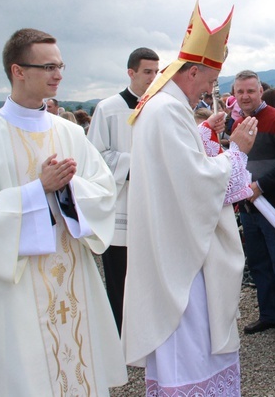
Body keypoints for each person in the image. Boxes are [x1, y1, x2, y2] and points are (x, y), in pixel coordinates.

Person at [0, 28, 127, 395]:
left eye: (60, 65)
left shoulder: (70, 133)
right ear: (18, 71)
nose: (59, 74)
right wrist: (38, 190)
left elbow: (103, 190)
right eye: (49, 66)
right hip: (17, 284)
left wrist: (70, 188)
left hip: (73, 272)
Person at [123, 0, 258, 395]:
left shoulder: (162, 104)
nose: (210, 89)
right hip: (183, 257)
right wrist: (238, 151)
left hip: (169, 239)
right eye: (210, 81)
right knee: (192, 340)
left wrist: (201, 135)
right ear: (192, 70)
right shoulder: (167, 110)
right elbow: (196, 183)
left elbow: (175, 167)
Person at [87, 47, 159, 334]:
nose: (153, 78)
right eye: (147, 72)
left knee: (150, 273)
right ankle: (122, 334)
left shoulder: (159, 106)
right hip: (121, 205)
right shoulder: (108, 108)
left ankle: (150, 330)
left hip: (153, 204)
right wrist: (136, 163)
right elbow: (94, 157)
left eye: (156, 72)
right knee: (121, 274)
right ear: (131, 73)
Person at [233, 70, 275, 350]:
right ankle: (269, 314)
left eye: (250, 91)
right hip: (248, 209)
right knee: (260, 264)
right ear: (235, 94)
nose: (245, 96)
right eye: (240, 92)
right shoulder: (238, 122)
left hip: (274, 205)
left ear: (260, 91)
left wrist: (262, 186)